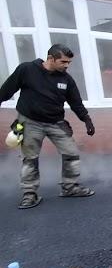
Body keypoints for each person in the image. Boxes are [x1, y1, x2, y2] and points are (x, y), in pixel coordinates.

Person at [0, 44, 96, 209]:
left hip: (56, 123)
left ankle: (70, 187)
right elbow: (7, 90)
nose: (66, 65)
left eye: (69, 63)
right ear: (51, 58)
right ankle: (30, 194)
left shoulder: (66, 79)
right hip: (30, 122)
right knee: (30, 159)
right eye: (63, 62)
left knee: (71, 153)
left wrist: (86, 119)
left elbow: (76, 102)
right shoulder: (27, 69)